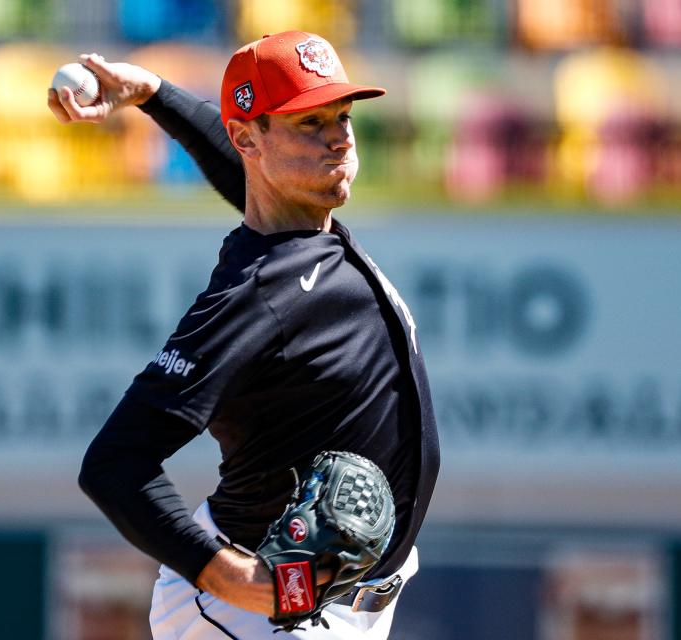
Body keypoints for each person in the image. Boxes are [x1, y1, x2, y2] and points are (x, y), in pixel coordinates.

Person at [49, 31, 440, 640]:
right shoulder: (253, 297)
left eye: (342, 115)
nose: (338, 136)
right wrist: (229, 578)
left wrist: (152, 93)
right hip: (261, 614)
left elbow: (253, 176)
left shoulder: (305, 227)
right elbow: (114, 464)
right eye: (310, 123)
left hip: (343, 604)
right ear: (248, 138)